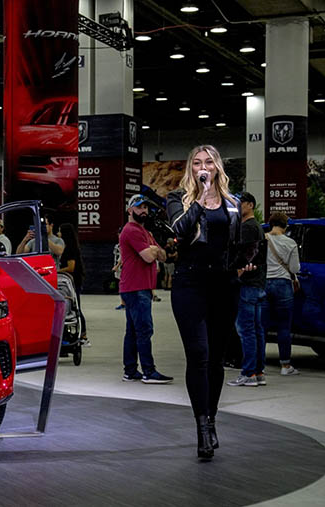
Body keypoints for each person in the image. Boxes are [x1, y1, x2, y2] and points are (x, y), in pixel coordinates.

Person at [166, 144, 256, 461]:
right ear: (191, 169)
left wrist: (243, 262)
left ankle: (212, 418)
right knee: (199, 355)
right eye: (197, 163)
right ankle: (202, 428)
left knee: (216, 359)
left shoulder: (233, 204)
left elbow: (233, 244)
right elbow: (179, 231)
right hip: (189, 283)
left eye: (209, 162)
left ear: (218, 167)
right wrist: (202, 200)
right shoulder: (177, 200)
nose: (203, 167)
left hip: (224, 284)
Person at [119, 194, 172, 385]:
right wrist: (154, 251)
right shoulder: (132, 231)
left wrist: (154, 250)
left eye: (146, 208)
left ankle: (131, 370)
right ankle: (148, 371)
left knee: (133, 331)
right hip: (136, 288)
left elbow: (164, 256)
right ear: (130, 210)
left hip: (139, 287)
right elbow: (149, 257)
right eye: (140, 207)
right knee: (144, 330)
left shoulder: (145, 231)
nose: (144, 211)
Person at [227, 192, 268, 388]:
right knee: (257, 330)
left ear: (250, 205)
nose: (237, 206)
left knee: (247, 331)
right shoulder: (257, 226)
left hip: (248, 286)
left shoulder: (247, 228)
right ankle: (258, 372)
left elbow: (246, 257)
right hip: (257, 285)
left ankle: (249, 372)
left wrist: (235, 275)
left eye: (240, 203)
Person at [261, 212, 301, 376]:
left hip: (264, 283)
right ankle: (285, 366)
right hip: (283, 284)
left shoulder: (262, 239)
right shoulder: (290, 243)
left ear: (271, 223)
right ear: (285, 225)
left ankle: (259, 366)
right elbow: (294, 269)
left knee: (261, 327)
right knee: (283, 327)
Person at [58, 223, 87, 341]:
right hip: (74, 281)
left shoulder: (70, 249)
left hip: (73, 282)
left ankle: (83, 333)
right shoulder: (70, 246)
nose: (58, 234)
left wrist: (57, 271)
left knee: (76, 308)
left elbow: (71, 267)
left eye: (59, 231)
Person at [112, 228, 125, 309]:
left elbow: (123, 257)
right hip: (118, 267)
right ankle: (123, 303)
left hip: (122, 268)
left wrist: (117, 266)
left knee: (123, 285)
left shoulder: (124, 245)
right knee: (120, 285)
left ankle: (125, 303)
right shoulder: (118, 245)